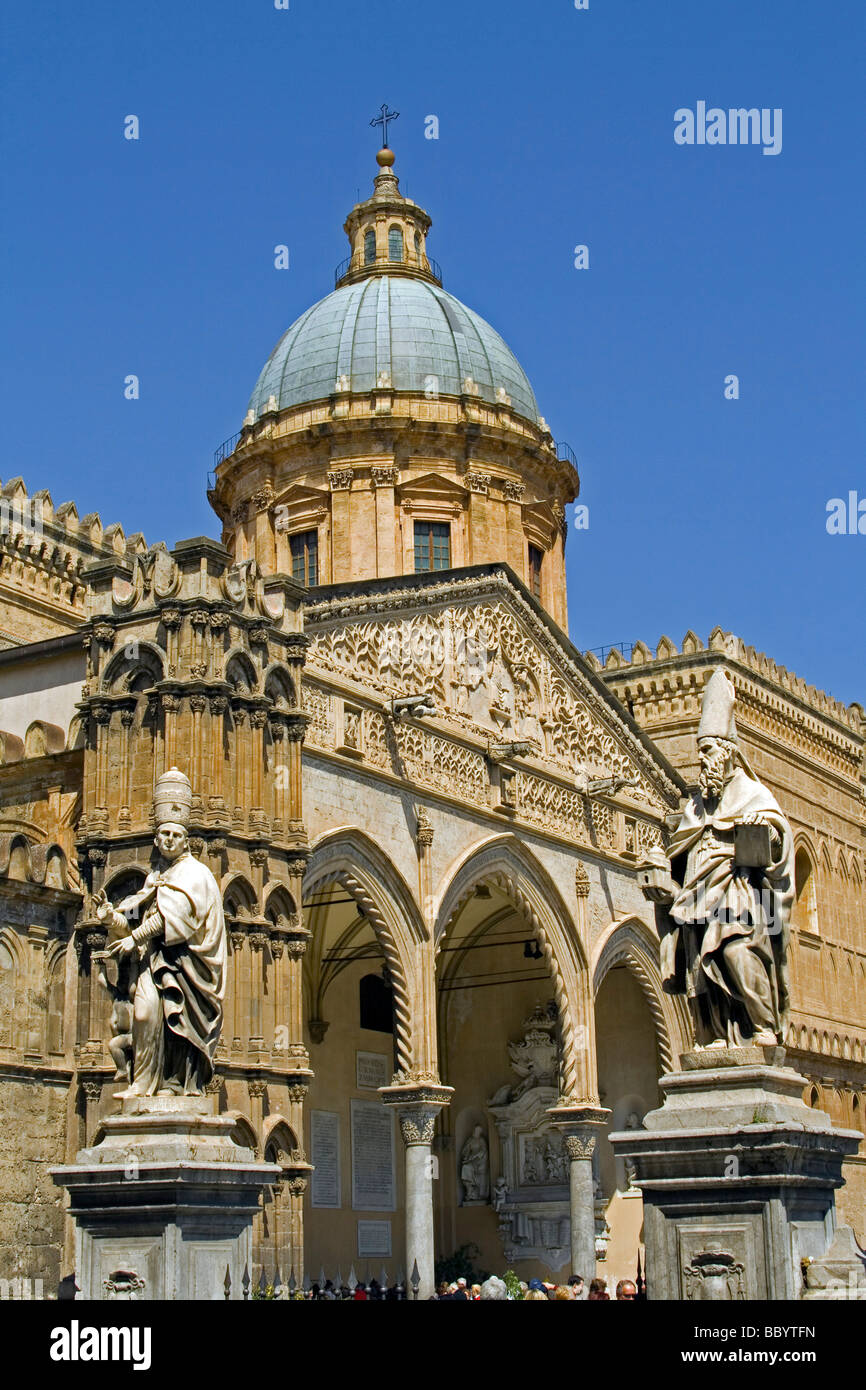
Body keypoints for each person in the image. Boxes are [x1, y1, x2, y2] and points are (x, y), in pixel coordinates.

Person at [639, 671, 793, 1048]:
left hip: (736, 893)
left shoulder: (751, 793)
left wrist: (763, 829)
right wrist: (662, 875)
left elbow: (778, 842)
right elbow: (680, 850)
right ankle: (719, 1035)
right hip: (695, 899)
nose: (701, 760)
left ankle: (763, 1028)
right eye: (700, 751)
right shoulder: (695, 806)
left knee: (736, 951)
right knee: (701, 973)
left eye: (707, 751)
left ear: (726, 753)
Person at [94, 768, 226, 1095]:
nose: (168, 840)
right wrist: (112, 918)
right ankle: (142, 1084)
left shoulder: (196, 874)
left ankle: (174, 1083)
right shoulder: (154, 879)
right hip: (154, 963)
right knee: (144, 1016)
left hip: (187, 969)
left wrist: (133, 938)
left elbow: (173, 922)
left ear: (186, 839)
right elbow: (137, 919)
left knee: (177, 1024)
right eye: (163, 834)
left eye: (175, 835)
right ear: (156, 839)